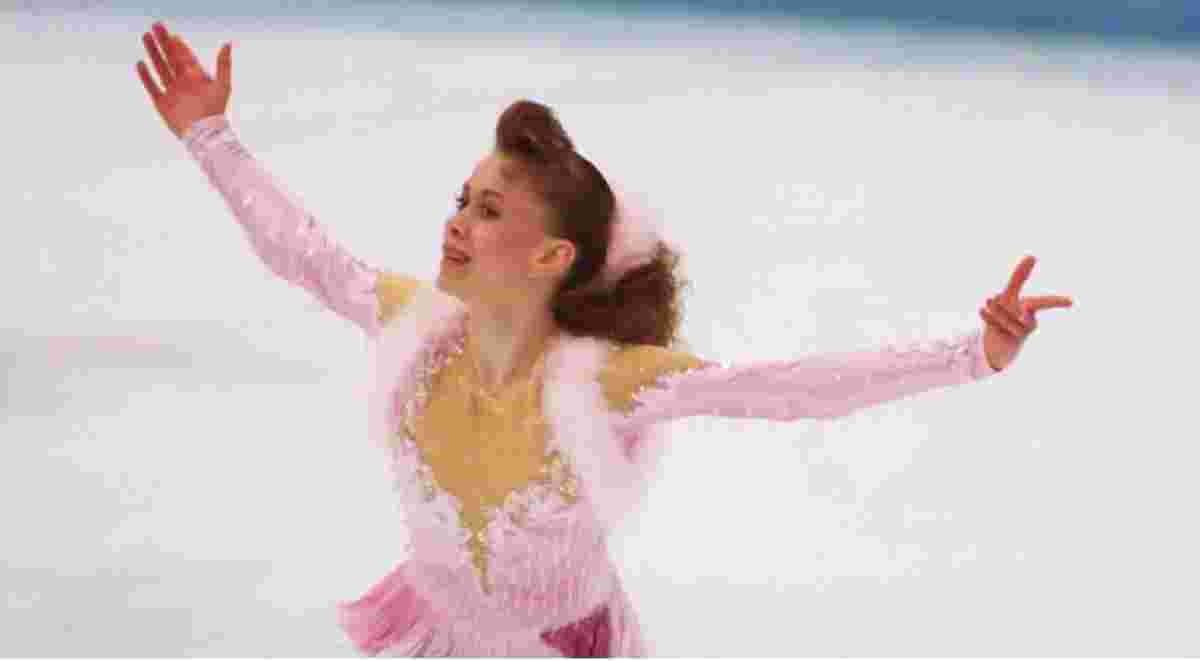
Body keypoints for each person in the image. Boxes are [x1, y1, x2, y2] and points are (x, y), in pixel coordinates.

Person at [137, 22, 1072, 657]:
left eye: (489, 210)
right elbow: (302, 252)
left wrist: (972, 354)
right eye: (463, 198)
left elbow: (788, 388)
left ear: (552, 255)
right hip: (436, 637)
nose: (457, 221)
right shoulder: (412, 322)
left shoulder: (606, 383)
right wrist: (209, 133)